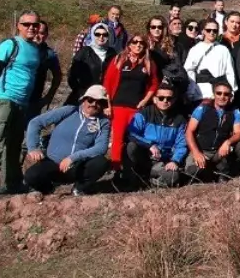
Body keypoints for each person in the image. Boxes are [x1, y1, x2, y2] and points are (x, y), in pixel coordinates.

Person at [21, 85, 112, 196]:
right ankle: (48, 189)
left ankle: (79, 189)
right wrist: (33, 147)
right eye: (91, 100)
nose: (94, 104)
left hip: (78, 166)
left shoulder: (103, 122)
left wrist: (72, 158)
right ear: (84, 100)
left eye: (99, 102)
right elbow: (36, 123)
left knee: (101, 162)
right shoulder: (68, 111)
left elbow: (101, 148)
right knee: (31, 175)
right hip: (53, 162)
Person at [103, 35, 160, 165]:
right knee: (117, 138)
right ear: (129, 44)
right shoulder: (119, 59)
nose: (138, 45)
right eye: (135, 42)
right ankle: (116, 166)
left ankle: (132, 167)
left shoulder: (148, 63)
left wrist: (145, 101)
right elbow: (107, 82)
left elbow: (154, 84)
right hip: (118, 105)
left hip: (137, 107)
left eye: (141, 43)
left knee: (135, 138)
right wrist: (107, 105)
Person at [123, 82, 189, 189]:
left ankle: (150, 182)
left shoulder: (180, 119)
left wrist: (175, 161)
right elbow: (131, 133)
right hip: (144, 155)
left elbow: (181, 144)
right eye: (161, 98)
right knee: (131, 146)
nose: (165, 101)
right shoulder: (144, 114)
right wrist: (149, 145)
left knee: (172, 177)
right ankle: (133, 178)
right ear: (154, 99)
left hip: (162, 160)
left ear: (174, 100)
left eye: (169, 98)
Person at [185, 81, 240, 182]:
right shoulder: (202, 109)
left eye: (226, 94)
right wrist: (196, 152)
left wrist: (228, 142)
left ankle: (227, 170)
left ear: (230, 96)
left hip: (220, 151)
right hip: (202, 150)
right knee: (193, 172)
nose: (222, 97)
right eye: (219, 93)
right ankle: (210, 171)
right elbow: (189, 132)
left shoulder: (235, 111)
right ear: (214, 94)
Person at [184, 19, 237, 103]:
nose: (212, 33)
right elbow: (188, 70)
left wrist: (232, 91)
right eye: (208, 30)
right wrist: (191, 91)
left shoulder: (223, 49)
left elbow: (230, 72)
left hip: (220, 93)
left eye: (215, 30)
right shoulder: (195, 49)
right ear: (203, 31)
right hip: (201, 93)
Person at [66, 22, 116, 106]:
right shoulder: (85, 51)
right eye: (97, 34)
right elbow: (72, 74)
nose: (101, 37)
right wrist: (80, 91)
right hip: (84, 97)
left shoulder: (112, 53)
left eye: (105, 34)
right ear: (93, 35)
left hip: (103, 97)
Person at [29, 22, 63, 119]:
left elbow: (58, 76)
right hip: (13, 96)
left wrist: (49, 96)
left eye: (41, 33)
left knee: (30, 129)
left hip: (34, 100)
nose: (37, 36)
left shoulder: (49, 54)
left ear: (46, 35)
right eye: (35, 32)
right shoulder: (18, 49)